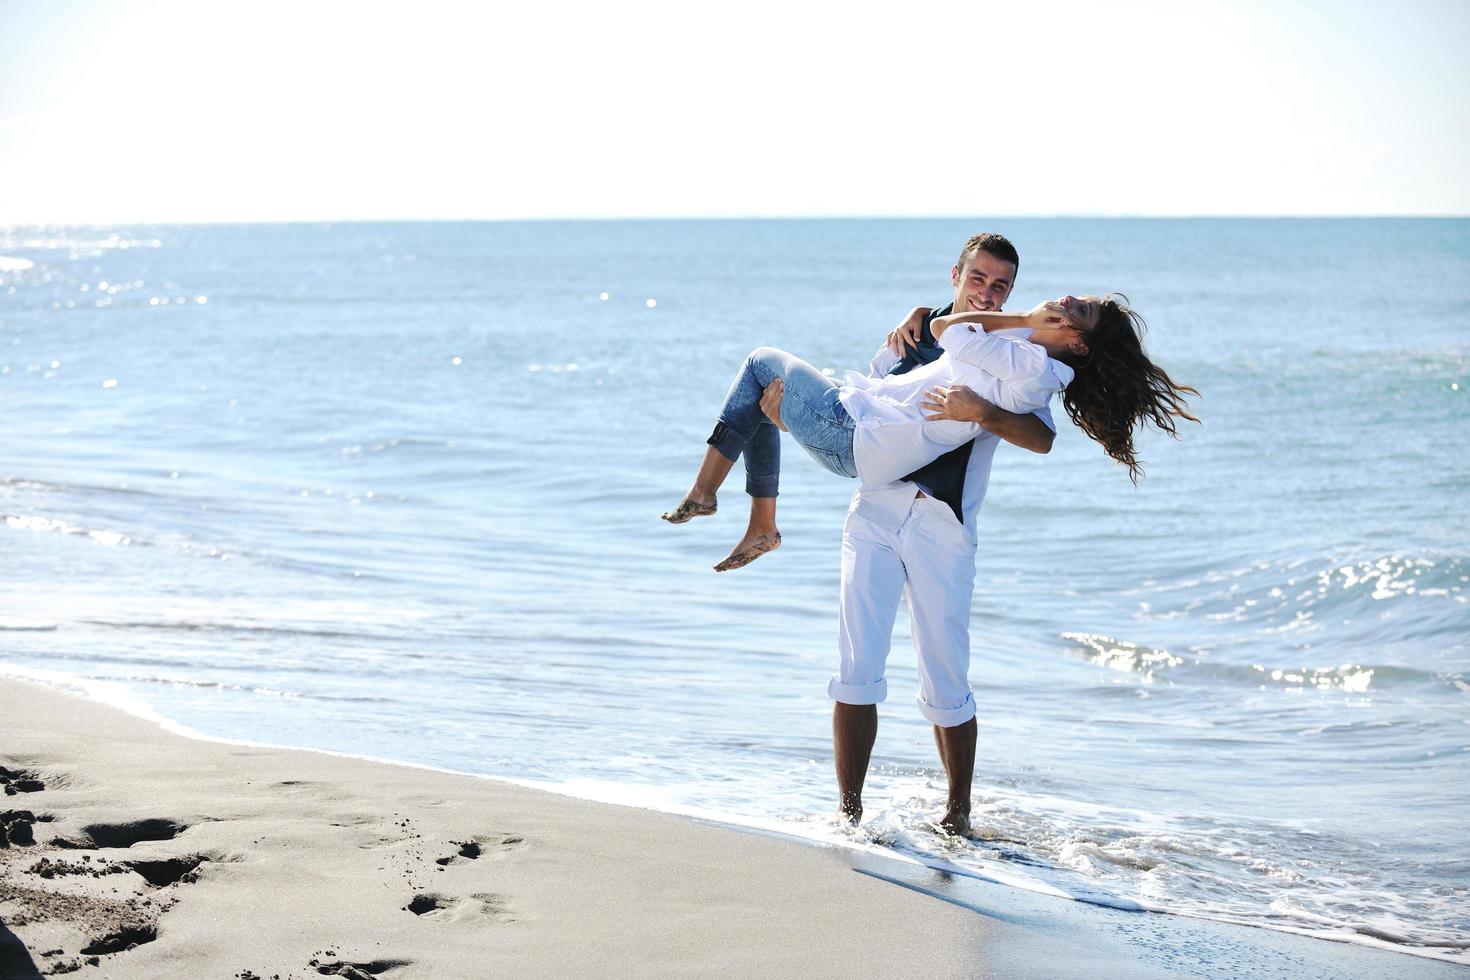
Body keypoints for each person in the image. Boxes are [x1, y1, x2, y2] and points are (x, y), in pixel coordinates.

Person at [759, 235, 1195, 835]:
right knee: (856, 663)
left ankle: (958, 815)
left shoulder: (1021, 351)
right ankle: (849, 814)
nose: (989, 293)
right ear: (957, 278)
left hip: (942, 524)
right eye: (979, 282)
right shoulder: (924, 333)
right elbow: (861, 415)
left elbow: (1040, 437)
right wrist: (791, 418)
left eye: (1001, 287)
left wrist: (981, 412)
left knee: (946, 675)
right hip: (875, 515)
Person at [662, 294, 1195, 572]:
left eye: (1082, 311)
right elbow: (952, 336)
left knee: (760, 360)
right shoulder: (1037, 369)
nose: (1070, 301)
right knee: (763, 392)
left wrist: (1022, 318)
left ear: (1078, 343)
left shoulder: (1028, 365)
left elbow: (948, 331)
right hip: (860, 437)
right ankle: (758, 524)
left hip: (853, 430)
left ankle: (709, 495)